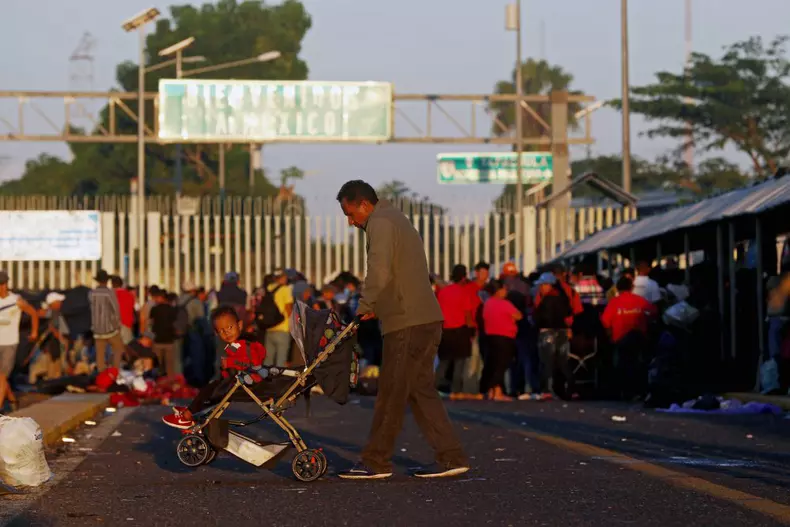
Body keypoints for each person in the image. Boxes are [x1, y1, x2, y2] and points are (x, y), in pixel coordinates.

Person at [335, 180, 468, 480]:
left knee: (392, 392)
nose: (350, 221)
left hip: (406, 322)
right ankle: (451, 457)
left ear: (363, 205)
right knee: (421, 391)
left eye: (350, 213)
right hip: (426, 319)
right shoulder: (396, 218)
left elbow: (379, 268)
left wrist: (365, 305)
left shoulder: (379, 223)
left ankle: (376, 461)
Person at [162, 306, 267, 429]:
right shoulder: (240, 343)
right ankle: (193, 409)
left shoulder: (243, 344)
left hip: (245, 383)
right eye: (222, 331)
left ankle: (187, 416)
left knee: (209, 390)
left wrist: (229, 363)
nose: (226, 332)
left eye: (229, 327)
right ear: (217, 333)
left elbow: (250, 363)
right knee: (211, 389)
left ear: (239, 325)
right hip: (239, 381)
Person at [601, 277, 658, 400]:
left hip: (620, 340)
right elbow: (654, 312)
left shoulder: (614, 302)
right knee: (640, 365)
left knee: (622, 366)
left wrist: (610, 337)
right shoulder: (640, 301)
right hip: (640, 339)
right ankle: (640, 391)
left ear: (617, 288)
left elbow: (605, 322)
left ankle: (624, 392)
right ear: (632, 287)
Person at [435, 264, 476, 397]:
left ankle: (434, 387)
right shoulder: (463, 292)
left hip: (445, 330)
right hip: (460, 331)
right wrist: (471, 331)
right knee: (459, 362)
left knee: (444, 362)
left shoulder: (443, 292)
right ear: (463, 278)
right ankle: (456, 390)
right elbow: (468, 314)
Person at [480, 280, 522, 401]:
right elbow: (518, 315)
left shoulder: (488, 303)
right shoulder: (504, 303)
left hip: (491, 336)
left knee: (493, 364)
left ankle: (491, 390)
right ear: (498, 291)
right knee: (501, 365)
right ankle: (497, 391)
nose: (506, 292)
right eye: (504, 289)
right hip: (505, 337)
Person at [0, 270, 40, 380]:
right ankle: (10, 396)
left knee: (3, 375)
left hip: (10, 342)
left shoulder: (16, 300)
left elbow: (33, 313)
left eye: (3, 284)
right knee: (2, 376)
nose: (2, 287)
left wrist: (34, 332)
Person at [89, 270, 125, 372]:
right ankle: (114, 371)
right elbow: (116, 310)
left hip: (97, 330)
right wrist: (117, 325)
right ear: (106, 281)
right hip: (110, 329)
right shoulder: (110, 293)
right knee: (118, 349)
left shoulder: (92, 293)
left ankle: (102, 374)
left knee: (100, 354)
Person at [263, 269, 294, 367]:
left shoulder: (269, 288)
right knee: (281, 361)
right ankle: (281, 381)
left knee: (268, 361)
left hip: (270, 327)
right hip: (283, 328)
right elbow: (288, 308)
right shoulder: (286, 289)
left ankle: (266, 380)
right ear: (283, 277)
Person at [149, 289, 179, 376]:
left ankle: (157, 383)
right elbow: (175, 324)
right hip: (170, 341)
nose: (155, 300)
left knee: (158, 366)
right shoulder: (172, 310)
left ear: (161, 297)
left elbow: (151, 322)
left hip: (157, 340)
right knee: (170, 367)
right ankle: (170, 383)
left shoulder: (154, 309)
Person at [111, 276, 136, 344]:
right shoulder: (129, 295)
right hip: (126, 325)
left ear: (112, 284)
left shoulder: (109, 295)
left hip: (113, 326)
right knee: (126, 348)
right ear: (121, 284)